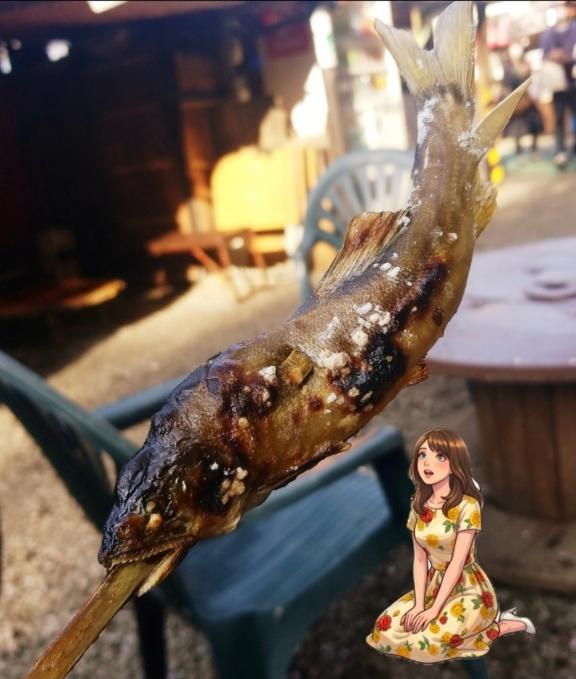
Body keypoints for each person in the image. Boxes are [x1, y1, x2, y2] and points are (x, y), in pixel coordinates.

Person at [366, 428, 535, 664]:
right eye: (423, 455)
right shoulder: (418, 505)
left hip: (467, 586)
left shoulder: (467, 506)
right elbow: (420, 559)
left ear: (455, 464)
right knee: (386, 630)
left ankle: (500, 626)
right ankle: (471, 629)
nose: (427, 463)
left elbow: (457, 562)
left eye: (439, 456)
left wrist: (433, 611)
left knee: (430, 645)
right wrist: (419, 605)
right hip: (434, 585)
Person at [539, 2, 576, 166]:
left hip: (573, 83)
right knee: (559, 118)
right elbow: (544, 56)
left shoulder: (574, 29)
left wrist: (566, 57)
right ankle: (560, 151)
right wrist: (553, 56)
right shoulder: (548, 34)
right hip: (558, 85)